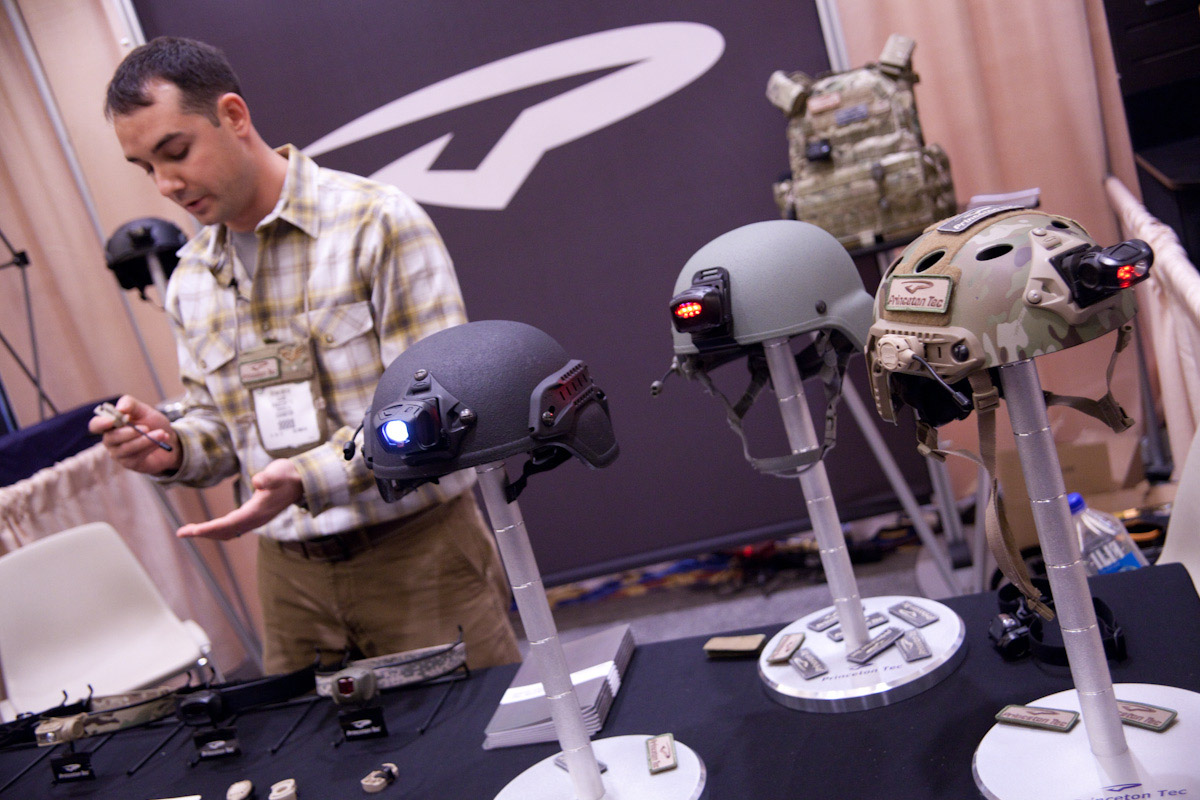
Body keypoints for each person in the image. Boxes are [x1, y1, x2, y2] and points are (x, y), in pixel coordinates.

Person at [92, 36, 521, 674]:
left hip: (417, 550)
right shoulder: (191, 280)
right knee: (307, 742)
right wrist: (173, 446)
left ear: (233, 116)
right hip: (287, 577)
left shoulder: (376, 222)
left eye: (175, 153)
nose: (166, 185)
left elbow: (435, 408)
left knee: (475, 732)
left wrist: (304, 476)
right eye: (144, 168)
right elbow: (220, 431)